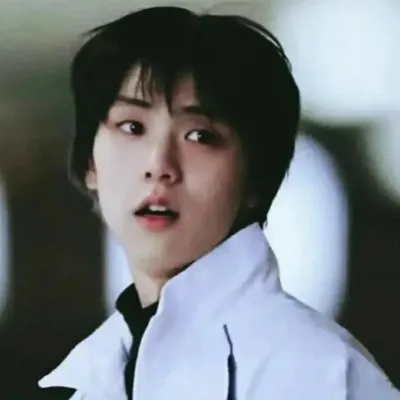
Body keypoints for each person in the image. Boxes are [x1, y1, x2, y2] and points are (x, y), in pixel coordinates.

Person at [38, 6, 399, 400]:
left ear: (255, 177)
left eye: (200, 136)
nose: (159, 165)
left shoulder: (321, 375)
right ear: (90, 165)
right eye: (132, 127)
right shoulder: (97, 372)